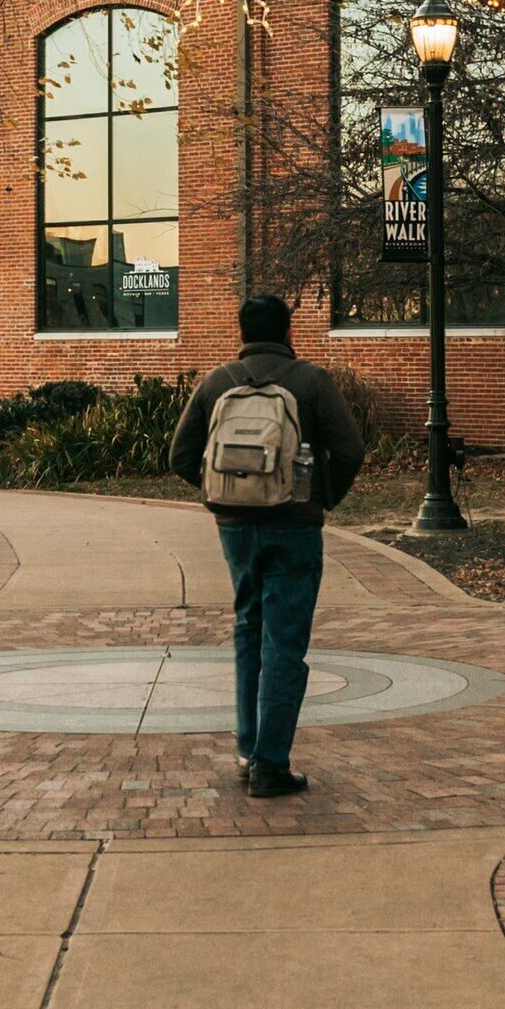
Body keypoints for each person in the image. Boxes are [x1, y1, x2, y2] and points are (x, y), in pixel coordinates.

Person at [169, 293, 368, 798]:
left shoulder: (217, 382)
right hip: (296, 525)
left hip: (234, 527)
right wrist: (321, 498)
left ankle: (247, 747)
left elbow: (180, 455)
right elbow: (349, 449)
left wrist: (226, 494)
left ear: (242, 333)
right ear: (287, 332)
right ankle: (271, 765)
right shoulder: (310, 382)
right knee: (285, 641)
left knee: (247, 627)